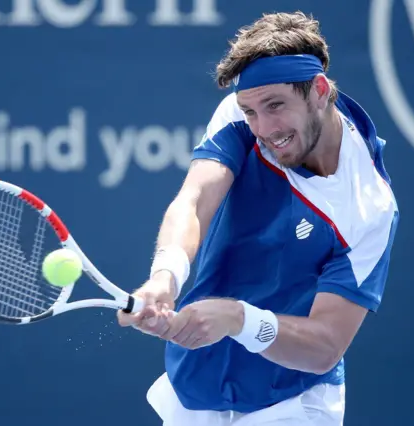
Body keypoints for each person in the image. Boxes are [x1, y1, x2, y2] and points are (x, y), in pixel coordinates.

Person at [117, 11, 399, 426]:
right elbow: (195, 200)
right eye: (251, 111)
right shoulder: (240, 116)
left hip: (292, 404)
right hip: (197, 387)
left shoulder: (369, 207)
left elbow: (325, 347)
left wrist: (240, 319)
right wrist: (166, 276)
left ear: (319, 90)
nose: (264, 128)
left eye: (276, 106)